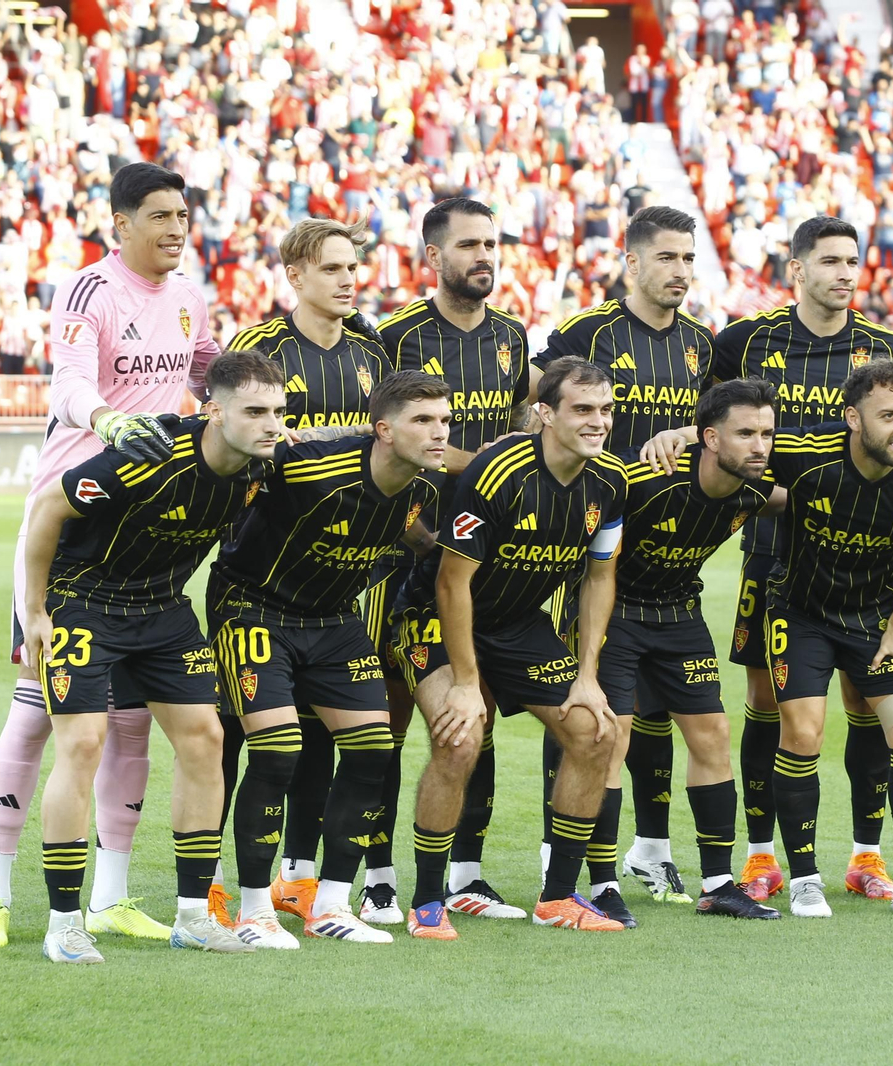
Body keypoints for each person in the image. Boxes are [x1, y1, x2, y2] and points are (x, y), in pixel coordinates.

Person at [0, 162, 220, 951]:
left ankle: (111, 896)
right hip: (68, 523)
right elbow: (68, 383)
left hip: (144, 538)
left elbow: (211, 367)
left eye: (183, 215)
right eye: (159, 216)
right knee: (43, 714)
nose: (176, 228)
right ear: (120, 224)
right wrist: (109, 421)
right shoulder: (91, 292)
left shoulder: (187, 297)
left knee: (134, 721)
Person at [702, 216, 893, 906]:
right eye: (831, 261)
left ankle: (869, 857)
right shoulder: (746, 342)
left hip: (871, 560)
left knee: (868, 705)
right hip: (776, 558)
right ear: (797, 269)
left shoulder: (886, 349)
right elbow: (715, 432)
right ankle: (760, 856)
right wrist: (781, 496)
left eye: (853, 262)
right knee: (767, 704)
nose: (845, 274)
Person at [19, 349, 284, 963]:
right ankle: (64, 923)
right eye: (255, 411)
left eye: (277, 411)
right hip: (83, 602)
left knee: (205, 739)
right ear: (213, 412)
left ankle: (193, 916)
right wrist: (33, 611)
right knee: (82, 746)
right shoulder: (152, 455)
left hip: (162, 610)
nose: (272, 424)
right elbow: (48, 509)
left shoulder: (262, 465)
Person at [208, 371, 450, 948]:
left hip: (335, 621)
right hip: (253, 608)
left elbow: (421, 541)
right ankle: (252, 911)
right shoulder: (308, 467)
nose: (440, 433)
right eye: (423, 421)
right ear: (383, 430)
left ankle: (333, 904)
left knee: (372, 750)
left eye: (443, 420)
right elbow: (227, 471)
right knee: (276, 750)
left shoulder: (422, 490)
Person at [390, 356, 629, 939]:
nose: (597, 422)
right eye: (582, 410)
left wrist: (588, 674)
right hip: (436, 616)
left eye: (605, 410)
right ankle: (427, 899)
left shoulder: (611, 480)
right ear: (545, 413)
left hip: (519, 623)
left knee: (596, 731)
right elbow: (452, 581)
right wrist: (469, 683)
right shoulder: (499, 471)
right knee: (460, 737)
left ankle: (558, 897)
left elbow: (600, 577)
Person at [529, 205, 716, 913]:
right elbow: (536, 411)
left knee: (660, 709)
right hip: (586, 546)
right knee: (583, 701)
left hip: (670, 549)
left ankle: (652, 850)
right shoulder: (588, 332)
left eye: (689, 259)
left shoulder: (702, 343)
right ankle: (564, 856)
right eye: (667, 257)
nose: (681, 272)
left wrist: (686, 434)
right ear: (632, 263)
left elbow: (716, 426)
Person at [213, 216, 394, 930]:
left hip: (342, 576)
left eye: (354, 268)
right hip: (263, 568)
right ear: (296, 275)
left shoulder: (370, 351)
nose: (349, 281)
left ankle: (301, 877)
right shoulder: (260, 348)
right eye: (333, 269)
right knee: (240, 729)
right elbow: (232, 443)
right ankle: (217, 880)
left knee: (328, 730)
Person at [372, 197, 533, 926]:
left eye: (491, 244)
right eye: (469, 245)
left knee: (480, 712)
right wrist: (489, 464)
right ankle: (375, 870)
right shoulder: (396, 334)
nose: (484, 256)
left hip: (482, 560)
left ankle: (466, 872)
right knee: (387, 718)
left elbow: (519, 425)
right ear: (433, 257)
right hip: (400, 552)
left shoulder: (512, 336)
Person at [765, 358, 893, 919]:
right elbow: (732, 455)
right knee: (803, 732)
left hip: (876, 617)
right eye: (889, 416)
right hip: (799, 612)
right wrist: (681, 434)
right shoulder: (801, 456)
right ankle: (804, 879)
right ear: (852, 417)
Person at [597, 379, 789, 924]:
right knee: (611, 740)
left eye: (767, 434)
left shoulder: (754, 490)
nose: (760, 445)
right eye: (745, 433)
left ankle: (719, 885)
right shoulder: (645, 481)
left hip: (680, 614)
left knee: (713, 735)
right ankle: (604, 884)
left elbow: (812, 486)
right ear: (708, 437)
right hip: (617, 613)